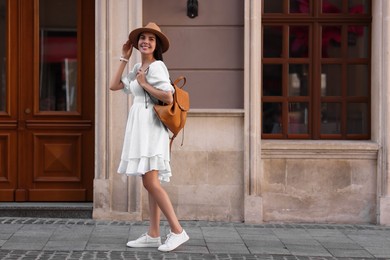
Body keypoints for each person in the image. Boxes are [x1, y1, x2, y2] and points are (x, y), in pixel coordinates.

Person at [109, 22, 189, 252]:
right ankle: (153, 234)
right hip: (141, 129)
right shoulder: (137, 67)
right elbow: (114, 85)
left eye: (151, 39)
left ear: (156, 45)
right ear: (136, 43)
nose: (145, 41)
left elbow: (168, 97)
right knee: (148, 181)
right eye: (142, 38)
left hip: (152, 129)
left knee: (151, 181)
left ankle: (177, 230)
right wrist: (124, 58)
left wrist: (144, 84)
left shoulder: (157, 68)